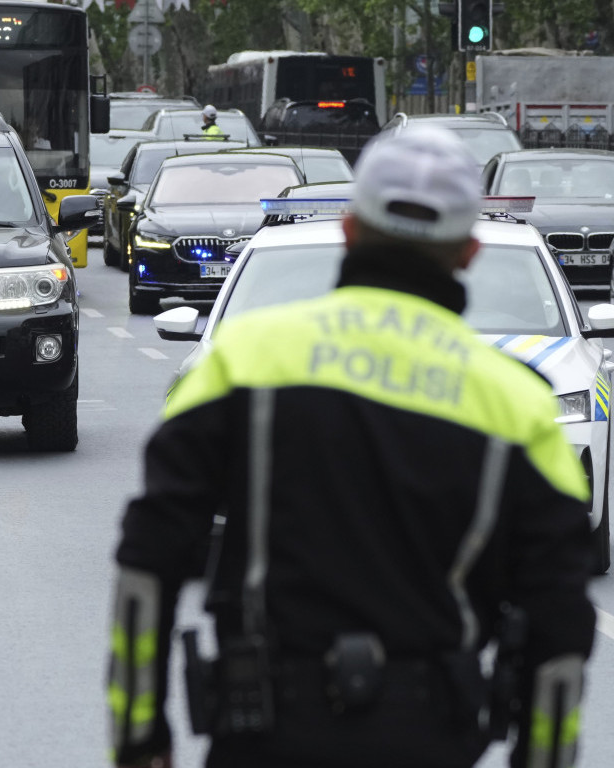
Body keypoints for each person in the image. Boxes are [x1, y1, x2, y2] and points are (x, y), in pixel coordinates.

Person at [107, 126, 595, 768]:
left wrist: (139, 739)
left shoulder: (242, 360)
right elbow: (558, 624)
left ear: (350, 229)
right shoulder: (519, 406)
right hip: (429, 739)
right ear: (469, 252)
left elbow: (149, 563)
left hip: (265, 737)